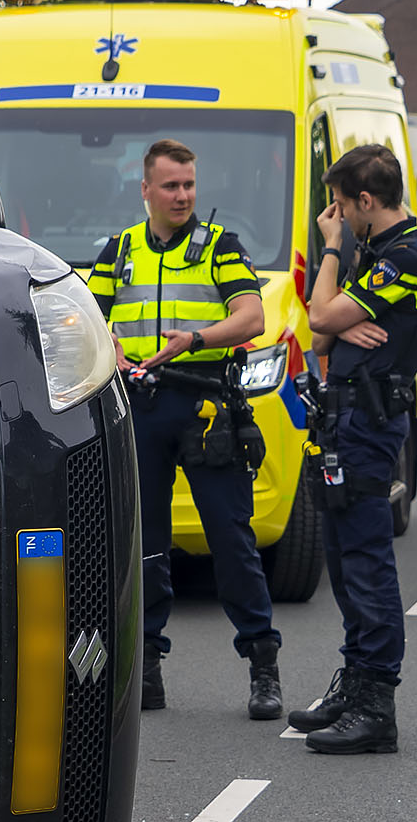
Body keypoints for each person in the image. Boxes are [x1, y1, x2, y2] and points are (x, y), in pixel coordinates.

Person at [87, 138, 282, 719]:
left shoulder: (220, 246)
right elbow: (88, 315)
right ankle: (146, 668)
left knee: (231, 539)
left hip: (204, 407)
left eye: (189, 184)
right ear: (145, 189)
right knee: (144, 541)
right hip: (141, 406)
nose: (182, 195)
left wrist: (194, 340)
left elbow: (253, 316)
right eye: (170, 185)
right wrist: (110, 345)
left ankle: (263, 665)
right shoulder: (120, 250)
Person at [290, 144, 417, 753]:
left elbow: (320, 317)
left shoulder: (407, 256)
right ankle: (354, 683)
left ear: (365, 200)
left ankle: (377, 705)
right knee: (343, 557)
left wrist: (332, 251)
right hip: (343, 419)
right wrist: (336, 319)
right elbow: (321, 335)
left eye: (340, 205)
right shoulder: (379, 253)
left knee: (367, 561)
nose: (337, 216)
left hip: (369, 424)